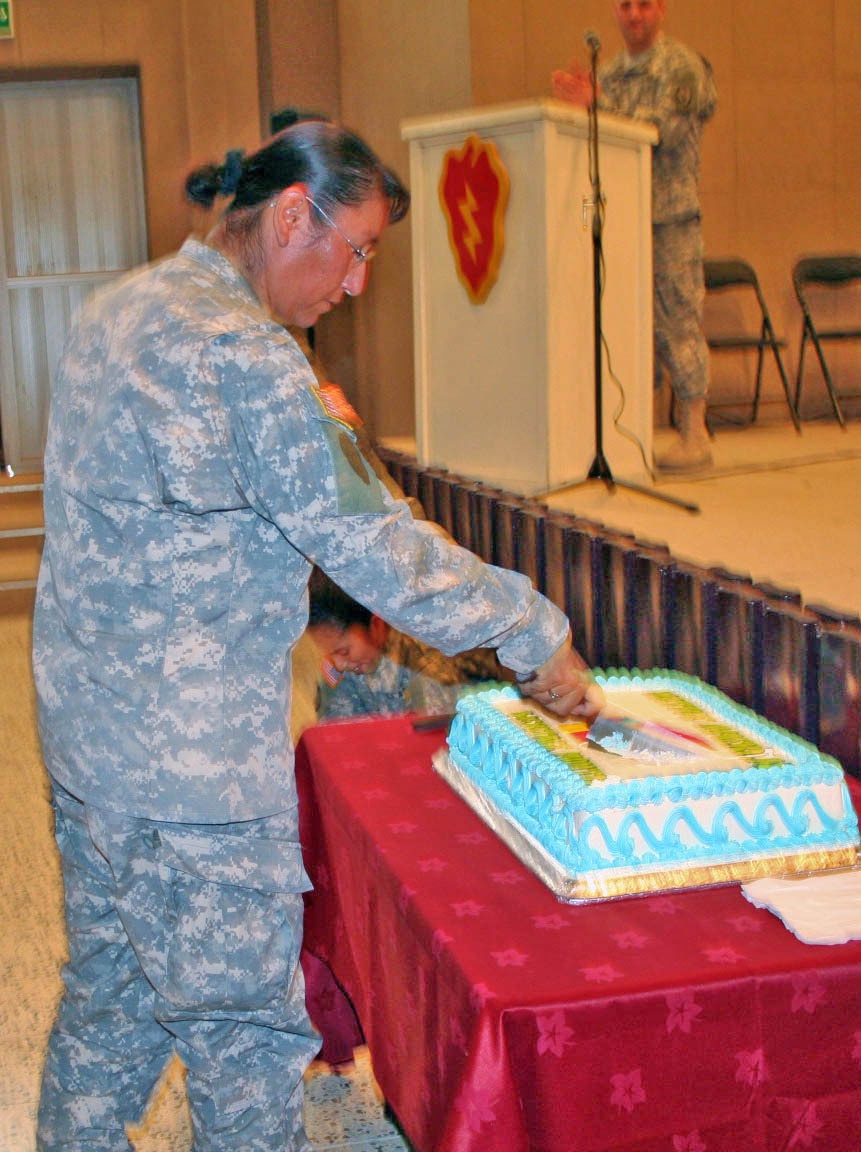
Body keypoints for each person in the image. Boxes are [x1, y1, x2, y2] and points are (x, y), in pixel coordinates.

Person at [32, 119, 604, 1152]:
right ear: (293, 216)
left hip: (88, 745)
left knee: (109, 1003)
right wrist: (535, 633)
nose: (354, 284)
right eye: (358, 251)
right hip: (192, 779)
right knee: (246, 1047)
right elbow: (378, 548)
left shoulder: (118, 308)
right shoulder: (246, 354)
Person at [552, 0, 717, 472]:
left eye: (644, 5)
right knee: (623, 324)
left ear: (662, 9)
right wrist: (580, 108)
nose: (634, 16)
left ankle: (694, 433)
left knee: (677, 320)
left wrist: (596, 104)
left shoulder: (682, 66)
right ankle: (631, 429)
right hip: (619, 219)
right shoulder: (613, 72)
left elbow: (661, 128)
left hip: (671, 219)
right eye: (625, 6)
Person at [306, 568, 510, 720]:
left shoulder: (426, 670)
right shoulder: (352, 663)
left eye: (343, 651)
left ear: (377, 625)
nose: (339, 664)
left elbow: (431, 748)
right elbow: (337, 730)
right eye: (329, 653)